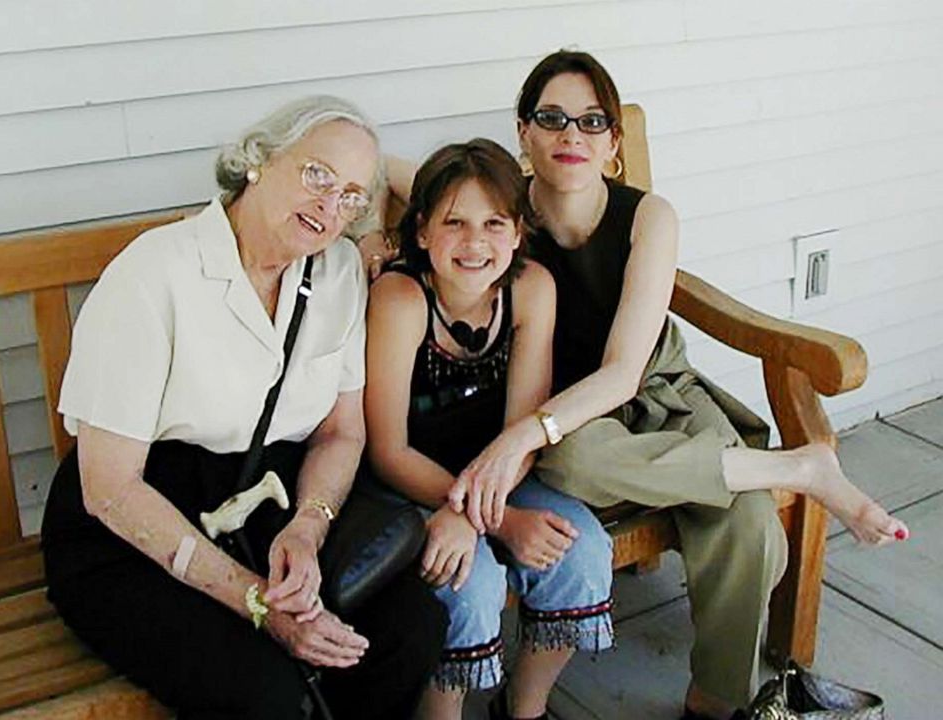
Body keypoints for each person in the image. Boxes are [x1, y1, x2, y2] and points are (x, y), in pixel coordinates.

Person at [365, 51, 909, 720]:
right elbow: (396, 176)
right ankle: (794, 467)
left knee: (749, 526)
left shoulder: (649, 217)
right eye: (553, 118)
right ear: (524, 133)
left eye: (593, 122)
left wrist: (523, 438)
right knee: (577, 458)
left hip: (656, 390)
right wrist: (375, 233)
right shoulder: (502, 215)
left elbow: (626, 372)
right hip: (572, 415)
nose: (572, 136)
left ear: (614, 144)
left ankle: (716, 703)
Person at [40, 95, 447, 720]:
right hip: (134, 524)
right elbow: (111, 490)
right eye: (317, 175)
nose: (328, 207)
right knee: (265, 693)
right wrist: (259, 603)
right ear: (259, 158)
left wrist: (309, 526)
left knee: (409, 627)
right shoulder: (154, 275)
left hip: (265, 503)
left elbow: (341, 433)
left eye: (350, 198)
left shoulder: (337, 272)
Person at [365, 139, 613, 720]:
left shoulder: (532, 289)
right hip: (407, 482)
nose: (476, 243)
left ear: (519, 231)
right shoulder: (400, 300)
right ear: (422, 231)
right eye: (455, 222)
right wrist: (496, 521)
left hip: (497, 470)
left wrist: (477, 509)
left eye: (494, 223)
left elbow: (520, 431)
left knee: (580, 552)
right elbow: (387, 450)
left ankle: (524, 709)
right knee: (466, 581)